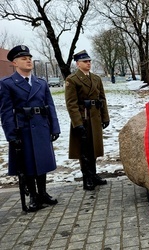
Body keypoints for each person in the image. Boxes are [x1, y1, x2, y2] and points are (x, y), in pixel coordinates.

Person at [0, 45, 60, 212]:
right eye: (23, 58)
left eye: (29, 58)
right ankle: (33, 195)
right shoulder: (7, 84)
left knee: (42, 161)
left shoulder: (41, 83)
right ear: (14, 62)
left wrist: (54, 127)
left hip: (41, 127)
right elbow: (5, 112)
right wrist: (11, 134)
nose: (28, 60)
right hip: (23, 129)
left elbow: (50, 106)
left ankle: (42, 193)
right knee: (27, 164)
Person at [65, 50, 110, 191]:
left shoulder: (96, 78)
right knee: (84, 149)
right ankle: (87, 178)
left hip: (95, 118)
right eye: (85, 61)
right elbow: (71, 104)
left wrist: (105, 117)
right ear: (78, 64)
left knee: (94, 148)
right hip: (83, 118)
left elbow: (102, 99)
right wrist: (77, 123)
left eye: (89, 61)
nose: (88, 63)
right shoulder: (72, 80)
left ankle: (94, 174)